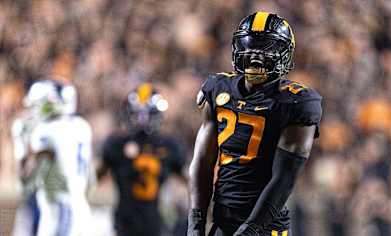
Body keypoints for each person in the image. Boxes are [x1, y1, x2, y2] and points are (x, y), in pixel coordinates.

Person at [188, 12, 323, 236]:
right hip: (223, 223)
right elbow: (202, 161)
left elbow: (284, 178)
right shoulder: (218, 89)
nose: (255, 57)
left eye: (266, 48)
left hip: (265, 226)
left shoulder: (297, 101)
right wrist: (196, 222)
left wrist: (250, 230)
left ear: (285, 54)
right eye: (249, 46)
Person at [97, 83, 186, 236]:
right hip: (145, 223)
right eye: (138, 114)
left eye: (146, 114)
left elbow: (96, 177)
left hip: (132, 223)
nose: (142, 119)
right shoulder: (168, 146)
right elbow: (191, 181)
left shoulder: (117, 143)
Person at [12, 79, 94, 236]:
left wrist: (21, 148)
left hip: (59, 211)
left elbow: (27, 181)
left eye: (38, 104)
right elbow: (90, 181)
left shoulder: (46, 132)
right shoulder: (82, 126)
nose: (33, 110)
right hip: (80, 207)